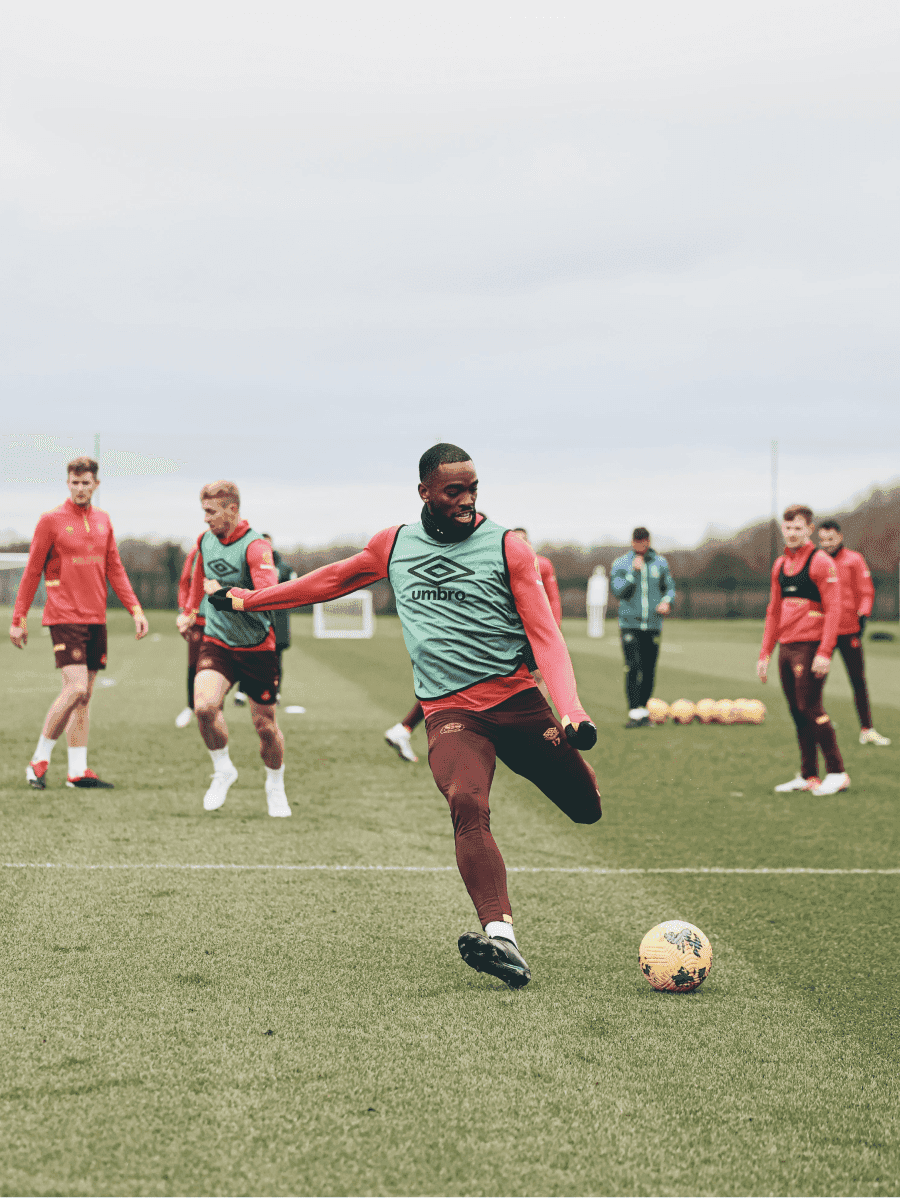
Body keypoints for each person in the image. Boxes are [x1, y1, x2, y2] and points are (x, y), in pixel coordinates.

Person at [208, 444, 602, 988]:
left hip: (518, 703)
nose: (466, 501)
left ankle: (556, 776)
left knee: (587, 809)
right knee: (466, 801)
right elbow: (328, 580)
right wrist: (251, 601)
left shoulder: (509, 547)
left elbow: (546, 638)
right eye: (453, 491)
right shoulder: (392, 545)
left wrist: (572, 711)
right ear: (424, 492)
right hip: (450, 711)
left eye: (473, 490)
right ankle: (502, 939)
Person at [9, 455, 149, 789]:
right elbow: (31, 571)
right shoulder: (51, 520)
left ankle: (77, 772)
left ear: (96, 485)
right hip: (64, 616)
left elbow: (114, 567)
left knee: (84, 697)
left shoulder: (103, 520)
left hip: (95, 618)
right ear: (68, 483)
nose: (80, 488)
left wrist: (136, 610)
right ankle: (39, 761)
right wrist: (18, 619)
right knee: (75, 688)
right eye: (75, 482)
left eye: (86, 483)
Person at [383, 527, 563, 763]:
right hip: (498, 637)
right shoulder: (492, 562)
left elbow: (551, 599)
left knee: (467, 682)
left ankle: (404, 729)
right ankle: (528, 735)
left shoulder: (539, 564)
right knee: (464, 683)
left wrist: (550, 635)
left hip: (522, 635)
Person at [176, 481, 290, 817]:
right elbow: (199, 580)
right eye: (204, 511)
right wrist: (189, 613)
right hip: (218, 641)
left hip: (257, 648)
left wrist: (225, 592)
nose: (206, 519)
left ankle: (275, 783)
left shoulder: (256, 548)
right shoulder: (205, 541)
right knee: (204, 708)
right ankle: (223, 768)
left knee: (265, 727)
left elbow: (269, 598)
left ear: (233, 509)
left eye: (211, 512)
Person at [758, 505, 849, 796]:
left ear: (809, 529)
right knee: (797, 711)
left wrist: (825, 651)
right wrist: (765, 654)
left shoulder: (821, 562)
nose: (792, 533)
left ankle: (837, 772)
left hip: (811, 647)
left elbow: (835, 609)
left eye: (798, 528)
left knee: (810, 706)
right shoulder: (779, 565)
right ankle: (809, 775)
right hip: (786, 647)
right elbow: (773, 612)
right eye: (788, 528)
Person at [817, 520, 890, 747]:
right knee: (816, 680)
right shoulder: (818, 562)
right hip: (822, 632)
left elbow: (866, 591)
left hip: (849, 630)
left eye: (830, 539)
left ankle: (867, 729)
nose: (826, 544)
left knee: (858, 680)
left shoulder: (854, 560)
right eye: (822, 540)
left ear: (839, 537)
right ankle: (819, 723)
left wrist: (863, 615)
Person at [610, 527, 676, 727]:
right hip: (630, 624)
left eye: (644, 541)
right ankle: (634, 713)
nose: (641, 544)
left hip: (653, 624)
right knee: (633, 666)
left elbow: (670, 588)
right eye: (637, 541)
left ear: (648, 541)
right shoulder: (622, 563)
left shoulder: (660, 563)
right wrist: (633, 572)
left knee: (649, 669)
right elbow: (618, 590)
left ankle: (644, 711)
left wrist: (666, 601)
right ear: (632, 542)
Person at [233, 534, 295, 706]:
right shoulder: (247, 566)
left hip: (279, 620)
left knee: (276, 659)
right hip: (254, 619)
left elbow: (294, 590)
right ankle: (241, 693)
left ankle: (275, 693)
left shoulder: (285, 569)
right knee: (248, 656)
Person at [174, 544, 205, 728]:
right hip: (198, 620)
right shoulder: (196, 552)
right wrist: (183, 611)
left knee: (220, 667)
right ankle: (190, 707)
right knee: (194, 665)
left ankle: (216, 708)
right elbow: (185, 582)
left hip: (223, 621)